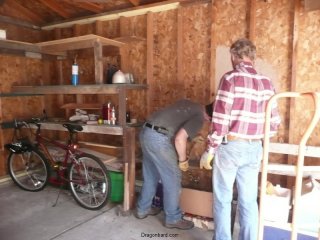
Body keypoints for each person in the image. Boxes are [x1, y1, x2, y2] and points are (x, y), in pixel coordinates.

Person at [200, 38, 281, 240]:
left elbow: (220, 119)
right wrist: (256, 135)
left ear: (234, 56)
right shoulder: (267, 82)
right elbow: (274, 124)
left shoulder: (230, 79)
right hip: (255, 148)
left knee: (223, 199)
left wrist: (210, 150)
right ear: (252, 57)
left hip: (231, 147)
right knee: (248, 200)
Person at [135, 99, 213, 230]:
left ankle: (143, 209)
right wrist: (183, 161)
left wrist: (191, 137)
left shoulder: (191, 104)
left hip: (145, 132)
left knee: (151, 176)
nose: (207, 123)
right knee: (173, 179)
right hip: (158, 138)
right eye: (210, 121)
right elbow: (179, 139)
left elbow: (174, 122)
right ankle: (173, 218)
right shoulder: (199, 117)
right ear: (209, 116)